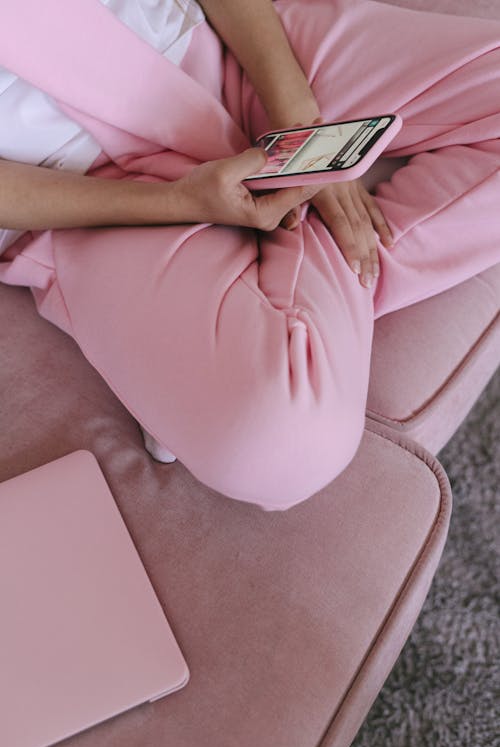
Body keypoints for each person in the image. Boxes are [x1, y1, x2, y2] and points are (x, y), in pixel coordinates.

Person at [0, 0, 499, 510]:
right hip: (85, 191)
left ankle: (298, 252)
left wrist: (304, 127)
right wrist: (178, 204)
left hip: (215, 44)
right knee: (283, 448)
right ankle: (314, 240)